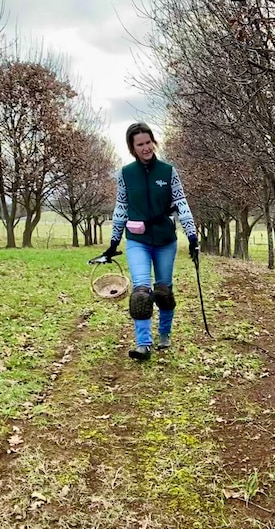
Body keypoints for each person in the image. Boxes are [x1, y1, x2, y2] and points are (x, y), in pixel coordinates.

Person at [96, 122, 199, 361]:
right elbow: (121, 207)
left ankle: (164, 334)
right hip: (137, 240)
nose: (146, 148)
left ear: (154, 141)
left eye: (148, 142)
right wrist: (113, 242)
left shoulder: (168, 171)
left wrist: (192, 236)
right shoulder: (125, 174)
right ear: (132, 148)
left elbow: (181, 204)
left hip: (165, 240)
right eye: (140, 144)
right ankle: (143, 344)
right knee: (141, 291)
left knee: (163, 290)